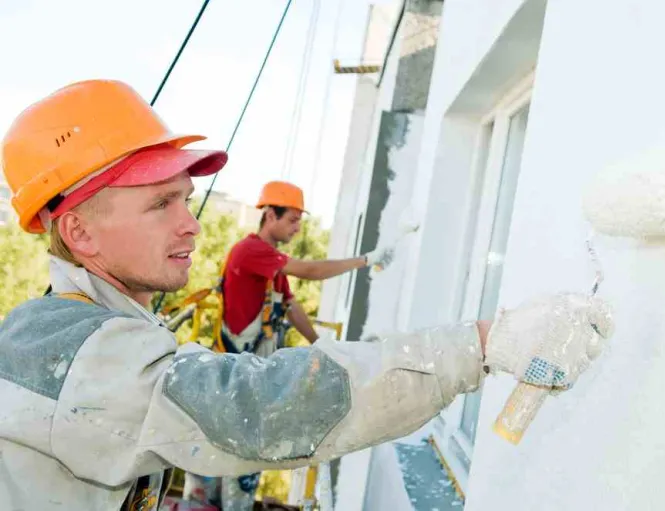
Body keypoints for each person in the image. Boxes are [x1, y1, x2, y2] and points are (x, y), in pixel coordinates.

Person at [0, 79, 613, 511]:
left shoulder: (92, 329)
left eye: (185, 197)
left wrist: (327, 339)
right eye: (161, 203)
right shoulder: (66, 352)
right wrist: (485, 343)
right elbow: (260, 407)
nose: (190, 222)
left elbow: (289, 304)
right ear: (79, 231)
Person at [183, 181, 396, 509]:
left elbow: (290, 305)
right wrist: (365, 260)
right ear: (270, 215)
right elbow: (309, 271)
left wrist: (320, 343)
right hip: (238, 380)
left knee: (241, 464)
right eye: (293, 220)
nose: (297, 228)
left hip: (251, 381)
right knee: (227, 465)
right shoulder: (251, 251)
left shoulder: (270, 265)